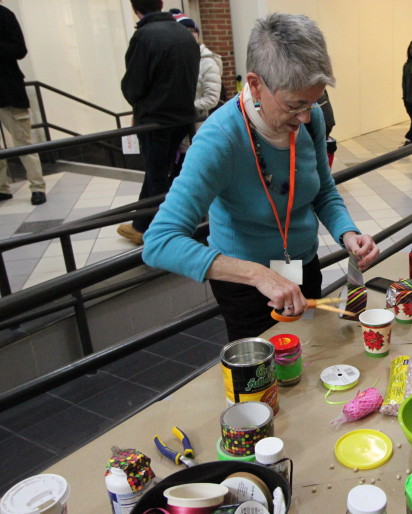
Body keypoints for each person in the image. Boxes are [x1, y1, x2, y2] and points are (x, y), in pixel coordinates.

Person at [142, 13, 379, 341]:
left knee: (311, 358)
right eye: (295, 105)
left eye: (314, 102)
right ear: (255, 84)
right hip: (247, 286)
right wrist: (257, 274)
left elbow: (322, 189)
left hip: (302, 268)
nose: (307, 117)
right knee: (268, 378)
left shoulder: (309, 119)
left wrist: (347, 233)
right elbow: (160, 242)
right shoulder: (220, 139)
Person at [117, 0, 199, 245]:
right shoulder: (183, 34)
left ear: (134, 7)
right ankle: (148, 224)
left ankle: (153, 229)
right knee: (173, 173)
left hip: (155, 120)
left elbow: (132, 86)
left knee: (156, 175)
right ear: (162, 3)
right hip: (184, 117)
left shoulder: (144, 37)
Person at [0, 2, 46, 205]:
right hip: (7, 89)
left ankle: (37, 187)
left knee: (23, 143)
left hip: (9, 91)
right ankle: (1, 187)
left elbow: (20, 49)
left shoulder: (5, 15)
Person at [171, 11, 223, 178]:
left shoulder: (207, 62)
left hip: (197, 125)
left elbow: (212, 98)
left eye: (192, 32)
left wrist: (186, 108)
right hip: (181, 126)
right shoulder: (180, 59)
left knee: (194, 170)